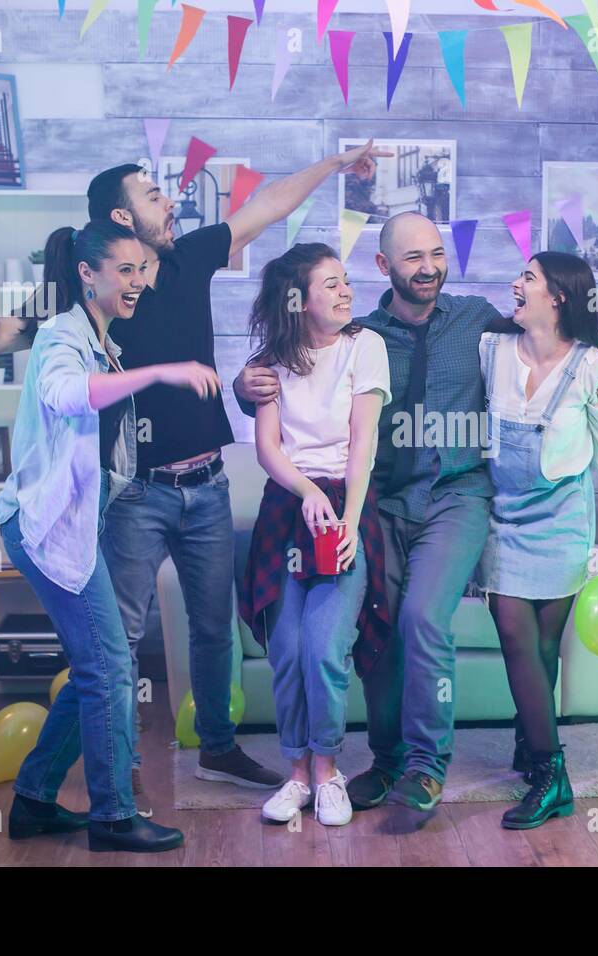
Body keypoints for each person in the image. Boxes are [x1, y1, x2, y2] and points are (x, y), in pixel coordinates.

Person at [0, 143, 389, 800]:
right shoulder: (94, 289)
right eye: (153, 196)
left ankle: (218, 748)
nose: (169, 202)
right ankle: (119, 761)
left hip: (207, 485)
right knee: (121, 640)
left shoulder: (189, 258)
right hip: (136, 493)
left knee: (214, 628)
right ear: (121, 218)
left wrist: (333, 164)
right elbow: (12, 331)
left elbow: (267, 206)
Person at [235, 212, 598, 813]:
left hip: (456, 496)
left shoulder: (478, 320)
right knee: (380, 624)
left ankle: (426, 765)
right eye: (413, 257)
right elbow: (291, 372)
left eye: (437, 254)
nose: (429, 268)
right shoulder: (361, 337)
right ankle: (387, 760)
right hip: (384, 501)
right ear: (384, 266)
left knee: (423, 616)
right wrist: (245, 385)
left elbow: (552, 334)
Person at [0, 219, 220, 852]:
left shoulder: (102, 339)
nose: (138, 281)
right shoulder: (61, 336)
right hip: (44, 527)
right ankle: (114, 817)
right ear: (87, 274)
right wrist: (160, 372)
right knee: (110, 667)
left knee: (97, 666)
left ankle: (34, 800)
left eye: (140, 269)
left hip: (73, 524)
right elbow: (69, 396)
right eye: (124, 270)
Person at [238, 243, 391, 826]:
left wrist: (349, 519)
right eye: (331, 283)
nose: (346, 290)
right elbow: (267, 448)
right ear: (298, 299)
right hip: (288, 508)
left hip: (346, 508)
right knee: (286, 650)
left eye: (345, 280)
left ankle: (328, 772)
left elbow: (363, 442)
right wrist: (306, 493)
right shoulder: (270, 362)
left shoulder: (365, 346)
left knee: (325, 648)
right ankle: (297, 774)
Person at [478, 251, 598, 829]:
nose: (515, 284)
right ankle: (553, 775)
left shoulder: (592, 367)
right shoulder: (491, 349)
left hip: (565, 519)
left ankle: (530, 742)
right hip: (504, 519)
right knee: (516, 637)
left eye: (528, 278)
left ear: (558, 297)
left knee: (544, 648)